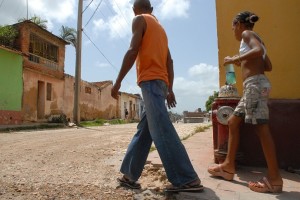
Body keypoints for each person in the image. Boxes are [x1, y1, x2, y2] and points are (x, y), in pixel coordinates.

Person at [111, 0, 202, 192]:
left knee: (161, 128)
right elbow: (170, 61)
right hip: (160, 83)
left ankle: (187, 178)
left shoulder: (139, 20)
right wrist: (169, 88)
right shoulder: (160, 29)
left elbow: (132, 50)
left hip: (150, 81)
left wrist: (118, 81)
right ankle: (129, 174)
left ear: (134, 9)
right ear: (151, 9)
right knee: (145, 130)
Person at [208, 11, 283, 193]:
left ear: (239, 24)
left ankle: (274, 179)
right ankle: (228, 166)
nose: (233, 31)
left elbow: (256, 51)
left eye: (233, 27)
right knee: (233, 122)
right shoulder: (257, 39)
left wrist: (235, 59)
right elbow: (268, 65)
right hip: (254, 86)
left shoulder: (246, 34)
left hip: (255, 86)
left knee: (261, 128)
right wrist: (247, 62)